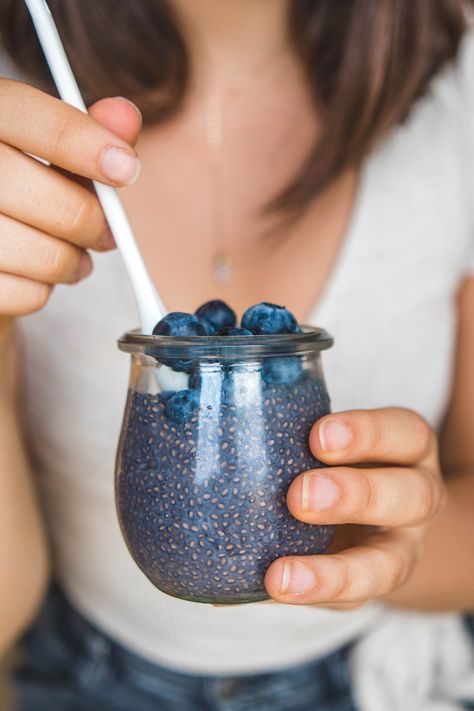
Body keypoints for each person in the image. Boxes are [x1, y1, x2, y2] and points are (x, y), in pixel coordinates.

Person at [0, 1, 473, 709]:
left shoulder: (456, 105)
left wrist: (396, 539)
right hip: (84, 671)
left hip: (371, 679)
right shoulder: (14, 126)